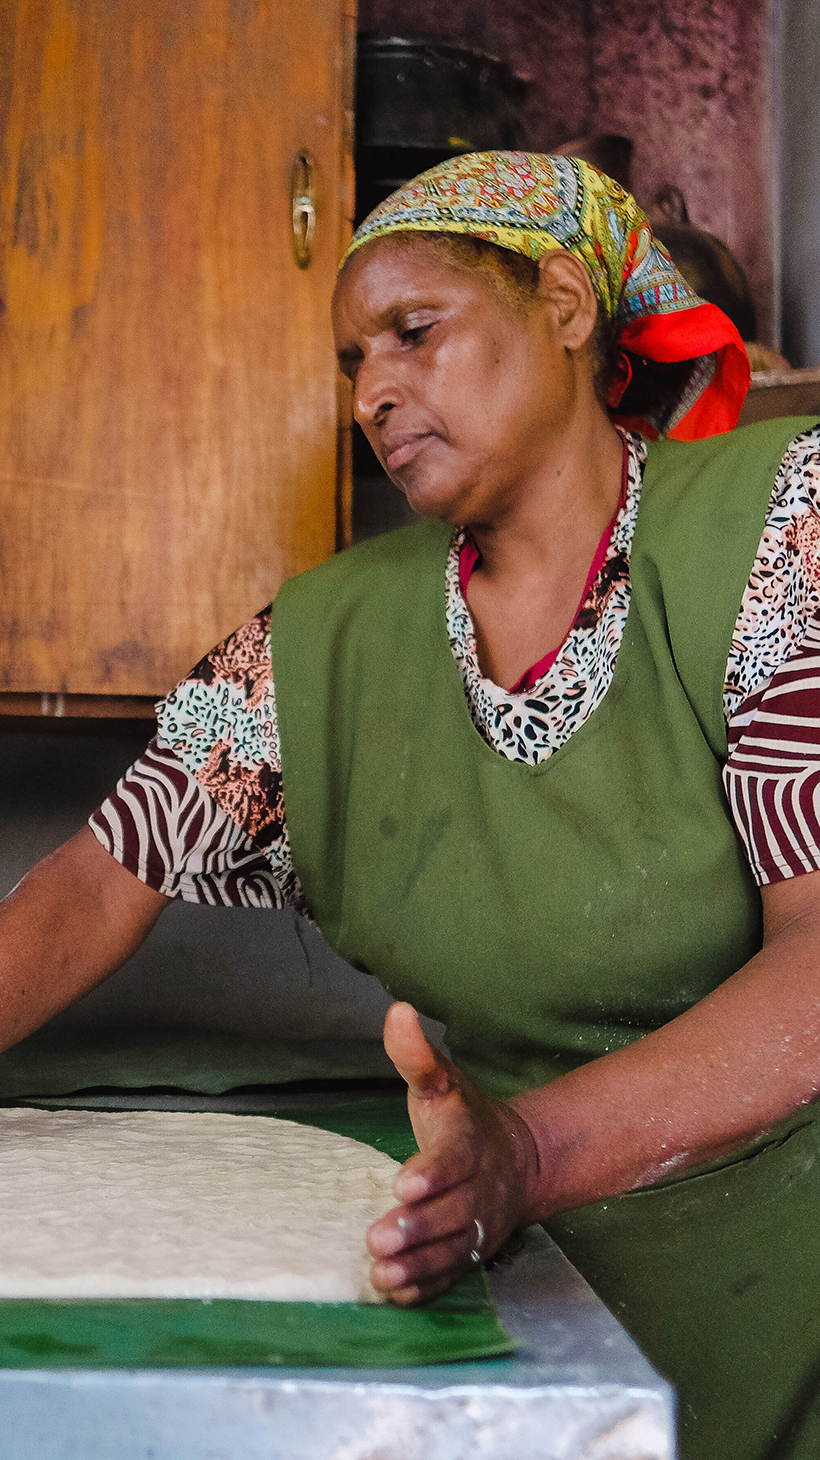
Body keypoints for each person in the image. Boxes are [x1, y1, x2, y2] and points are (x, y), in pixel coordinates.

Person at [2, 152, 820, 1459]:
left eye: (415, 333)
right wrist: (493, 1180)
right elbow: (100, 879)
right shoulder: (322, 644)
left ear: (562, 304)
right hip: (507, 1297)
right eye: (352, 366)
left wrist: (528, 1159)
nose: (376, 392)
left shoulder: (772, 531)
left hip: (780, 1302)